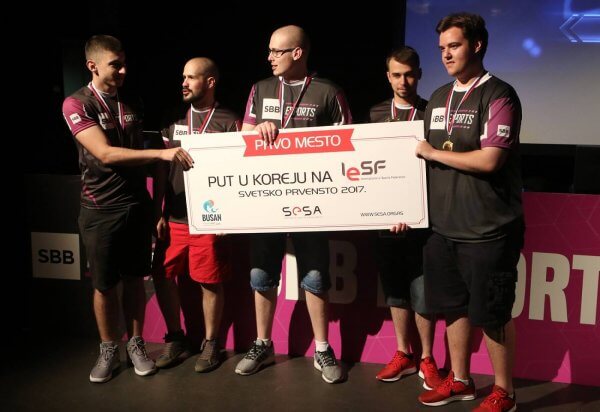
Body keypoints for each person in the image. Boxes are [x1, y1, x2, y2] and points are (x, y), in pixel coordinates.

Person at [403, 13, 524, 411]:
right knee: (453, 307)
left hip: (489, 229)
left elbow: (491, 160)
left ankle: (504, 392)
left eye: (453, 46)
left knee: (492, 313)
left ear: (477, 45)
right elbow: (414, 160)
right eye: (441, 48)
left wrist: (433, 153)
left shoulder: (500, 95)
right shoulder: (438, 97)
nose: (446, 54)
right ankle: (460, 380)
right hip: (443, 228)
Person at [62, 35, 194, 383]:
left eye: (124, 63)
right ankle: (108, 348)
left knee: (136, 279)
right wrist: (162, 153)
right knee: (105, 285)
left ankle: (136, 345)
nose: (123, 71)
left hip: (137, 205)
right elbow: (105, 154)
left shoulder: (132, 100)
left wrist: (156, 204)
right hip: (100, 207)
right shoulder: (77, 103)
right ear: (92, 66)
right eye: (115, 65)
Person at [234, 25, 352, 384]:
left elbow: (349, 142)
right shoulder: (260, 88)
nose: (269, 57)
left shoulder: (328, 91)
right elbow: (243, 136)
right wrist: (257, 131)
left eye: (277, 51)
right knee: (261, 275)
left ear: (297, 53)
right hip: (267, 199)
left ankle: (322, 349)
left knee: (314, 277)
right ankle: (263, 344)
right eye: (269, 51)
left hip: (312, 201)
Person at [152, 57, 241, 372]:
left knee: (209, 282)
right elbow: (162, 169)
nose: (184, 83)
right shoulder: (173, 118)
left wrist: (229, 215)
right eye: (183, 77)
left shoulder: (230, 121)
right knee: (162, 276)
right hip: (174, 217)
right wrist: (158, 211)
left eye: (191, 77)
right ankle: (176, 337)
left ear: (210, 82)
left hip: (209, 218)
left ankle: (211, 343)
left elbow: (239, 171)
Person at [369, 47, 442, 390]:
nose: (403, 81)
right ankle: (403, 354)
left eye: (409, 74)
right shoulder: (374, 114)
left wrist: (411, 210)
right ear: (388, 77)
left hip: (423, 221)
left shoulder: (432, 113)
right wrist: (387, 210)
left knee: (423, 292)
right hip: (385, 221)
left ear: (419, 74)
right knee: (396, 291)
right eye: (397, 75)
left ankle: (427, 357)